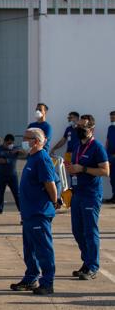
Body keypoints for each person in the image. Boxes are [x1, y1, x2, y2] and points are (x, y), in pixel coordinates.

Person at [10, 128, 58, 296]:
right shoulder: (32, 157)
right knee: (29, 249)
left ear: (36, 141)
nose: (23, 140)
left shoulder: (42, 158)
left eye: (26, 138)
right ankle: (31, 278)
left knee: (43, 250)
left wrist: (54, 201)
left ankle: (47, 282)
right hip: (29, 213)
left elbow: (50, 184)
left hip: (39, 213)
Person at [64, 114, 110, 280]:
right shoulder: (77, 146)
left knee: (90, 231)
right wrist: (71, 169)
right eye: (78, 127)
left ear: (91, 129)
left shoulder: (97, 147)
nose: (79, 129)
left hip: (91, 194)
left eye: (83, 127)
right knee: (77, 231)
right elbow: (75, 166)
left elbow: (105, 171)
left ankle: (92, 266)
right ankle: (87, 261)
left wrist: (82, 169)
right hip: (77, 193)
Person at [0, 134, 21, 213]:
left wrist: (19, 151)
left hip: (12, 175)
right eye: (8, 143)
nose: (10, 145)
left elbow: (26, 153)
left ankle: (21, 209)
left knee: (17, 193)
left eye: (11, 143)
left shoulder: (15, 149)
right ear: (4, 142)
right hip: (0, 175)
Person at [105, 111, 115, 204]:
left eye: (113, 118)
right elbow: (107, 141)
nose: (112, 119)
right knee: (112, 177)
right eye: (111, 118)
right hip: (110, 156)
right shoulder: (110, 128)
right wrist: (106, 153)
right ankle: (114, 196)